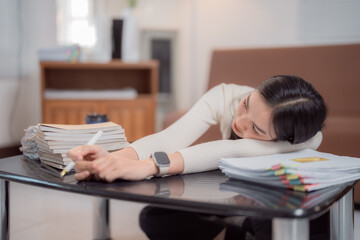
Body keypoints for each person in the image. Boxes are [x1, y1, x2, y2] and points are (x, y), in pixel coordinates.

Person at [67, 75, 328, 240]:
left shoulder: (308, 140)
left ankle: (241, 225)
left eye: (256, 130)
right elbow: (169, 138)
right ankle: (234, 226)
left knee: (276, 227)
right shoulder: (228, 94)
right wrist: (113, 158)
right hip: (233, 198)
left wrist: (148, 166)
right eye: (246, 105)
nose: (240, 122)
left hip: (275, 203)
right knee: (154, 218)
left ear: (284, 139)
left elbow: (231, 150)